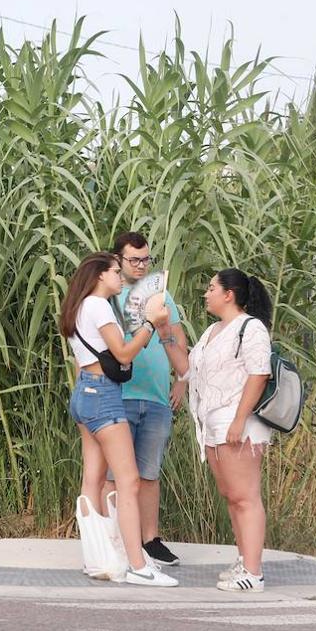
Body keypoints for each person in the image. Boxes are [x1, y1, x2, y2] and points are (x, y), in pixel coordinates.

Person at [60, 251, 178, 587]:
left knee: (93, 479)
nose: (119, 276)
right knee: (129, 481)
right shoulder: (98, 306)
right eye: (115, 270)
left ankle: (97, 558)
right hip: (105, 397)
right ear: (100, 275)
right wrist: (151, 324)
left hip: (84, 392)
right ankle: (138, 565)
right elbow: (124, 353)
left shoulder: (79, 307)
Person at [182, 268, 275, 593]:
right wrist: (166, 332)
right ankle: (244, 559)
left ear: (228, 295)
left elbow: (259, 374)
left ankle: (254, 572)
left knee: (245, 496)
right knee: (232, 496)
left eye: (211, 288)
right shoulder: (212, 332)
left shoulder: (250, 329)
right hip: (213, 424)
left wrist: (239, 419)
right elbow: (188, 369)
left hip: (240, 425)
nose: (206, 294)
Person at [107, 232, 190, 566]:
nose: (141, 266)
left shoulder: (161, 294)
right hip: (120, 394)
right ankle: (116, 541)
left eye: (146, 260)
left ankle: (150, 539)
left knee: (149, 472)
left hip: (156, 397)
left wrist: (181, 383)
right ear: (118, 259)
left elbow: (179, 339)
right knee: (116, 475)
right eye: (134, 260)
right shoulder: (110, 294)